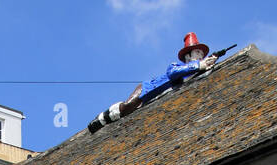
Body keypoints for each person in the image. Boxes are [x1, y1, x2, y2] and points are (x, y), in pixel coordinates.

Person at [88, 33, 217, 133]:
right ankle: (102, 118)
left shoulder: (194, 70)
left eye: (201, 53)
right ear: (188, 56)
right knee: (127, 107)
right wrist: (199, 65)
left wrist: (209, 64)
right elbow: (173, 73)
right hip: (147, 89)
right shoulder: (176, 66)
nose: (201, 56)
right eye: (197, 52)